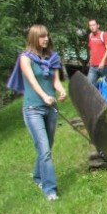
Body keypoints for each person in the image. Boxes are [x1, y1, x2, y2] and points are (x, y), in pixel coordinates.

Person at [7, 25, 67, 201]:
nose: (46, 39)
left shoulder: (52, 57)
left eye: (47, 36)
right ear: (34, 38)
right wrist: (44, 96)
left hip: (51, 109)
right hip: (33, 109)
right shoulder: (25, 58)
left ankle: (37, 176)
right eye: (42, 36)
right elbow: (33, 82)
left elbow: (55, 81)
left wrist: (61, 91)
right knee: (45, 150)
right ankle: (50, 190)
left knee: (46, 146)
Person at [87, 19, 107, 86]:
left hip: (104, 66)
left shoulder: (103, 34)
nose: (92, 27)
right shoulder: (90, 36)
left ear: (98, 25)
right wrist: (90, 58)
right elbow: (91, 48)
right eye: (90, 25)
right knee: (89, 85)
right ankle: (96, 94)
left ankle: (104, 95)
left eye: (93, 25)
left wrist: (102, 62)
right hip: (93, 66)